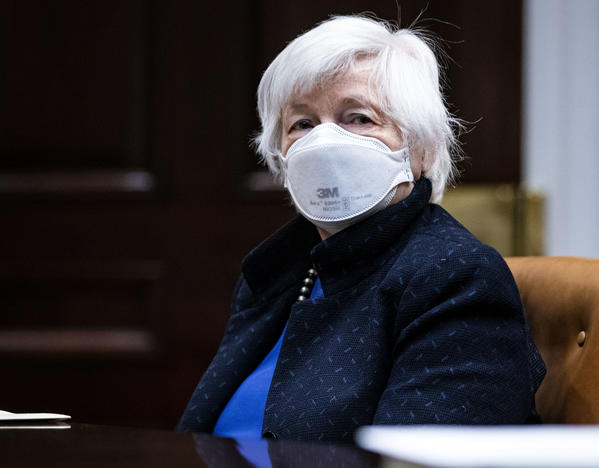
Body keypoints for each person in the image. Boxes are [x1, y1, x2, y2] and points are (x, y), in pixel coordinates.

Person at [177, 15, 545, 443]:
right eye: (303, 124)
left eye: (358, 118)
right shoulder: (280, 272)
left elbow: (413, 460)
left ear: (421, 149)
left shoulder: (456, 277)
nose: (325, 141)